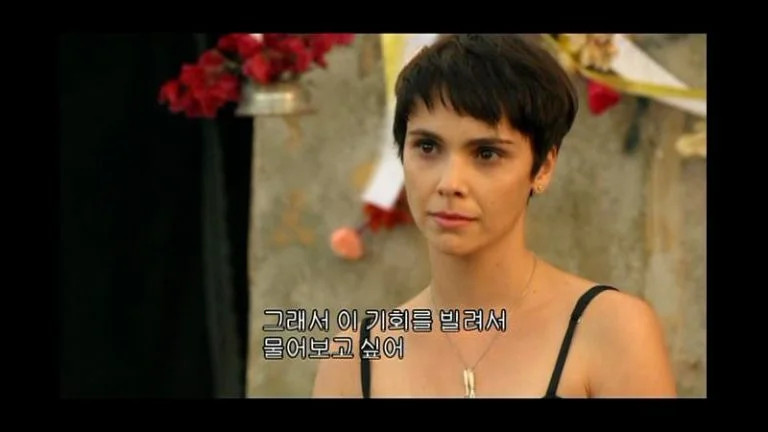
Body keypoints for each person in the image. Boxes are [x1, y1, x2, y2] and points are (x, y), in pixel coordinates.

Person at [312, 34, 676, 398]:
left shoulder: (612, 330)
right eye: (427, 146)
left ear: (543, 167)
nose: (450, 183)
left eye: (486, 153)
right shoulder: (354, 359)